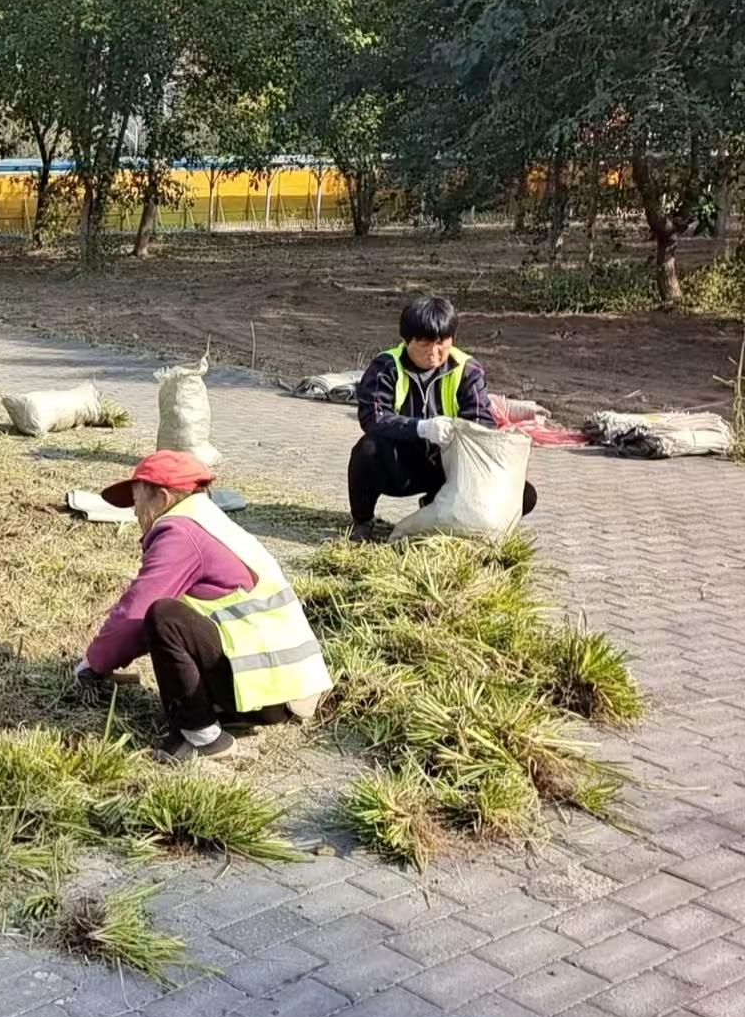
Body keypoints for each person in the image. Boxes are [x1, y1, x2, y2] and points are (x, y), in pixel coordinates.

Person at [76, 451, 331, 763]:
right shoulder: (208, 520)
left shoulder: (180, 532)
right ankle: (219, 710)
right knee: (172, 615)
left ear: (163, 497)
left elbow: (135, 613)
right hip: (285, 687)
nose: (135, 512)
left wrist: (93, 665)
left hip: (266, 690)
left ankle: (203, 735)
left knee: (164, 617)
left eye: (136, 500)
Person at [349, 295, 537, 542]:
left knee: (523, 494)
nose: (434, 353)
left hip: (451, 468)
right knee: (367, 449)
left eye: (441, 343)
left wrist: (460, 431)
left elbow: (483, 421)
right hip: (402, 465)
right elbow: (372, 417)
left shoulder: (468, 370)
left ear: (452, 339)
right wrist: (421, 427)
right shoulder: (386, 367)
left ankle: (436, 506)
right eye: (424, 344)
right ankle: (363, 520)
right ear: (406, 341)